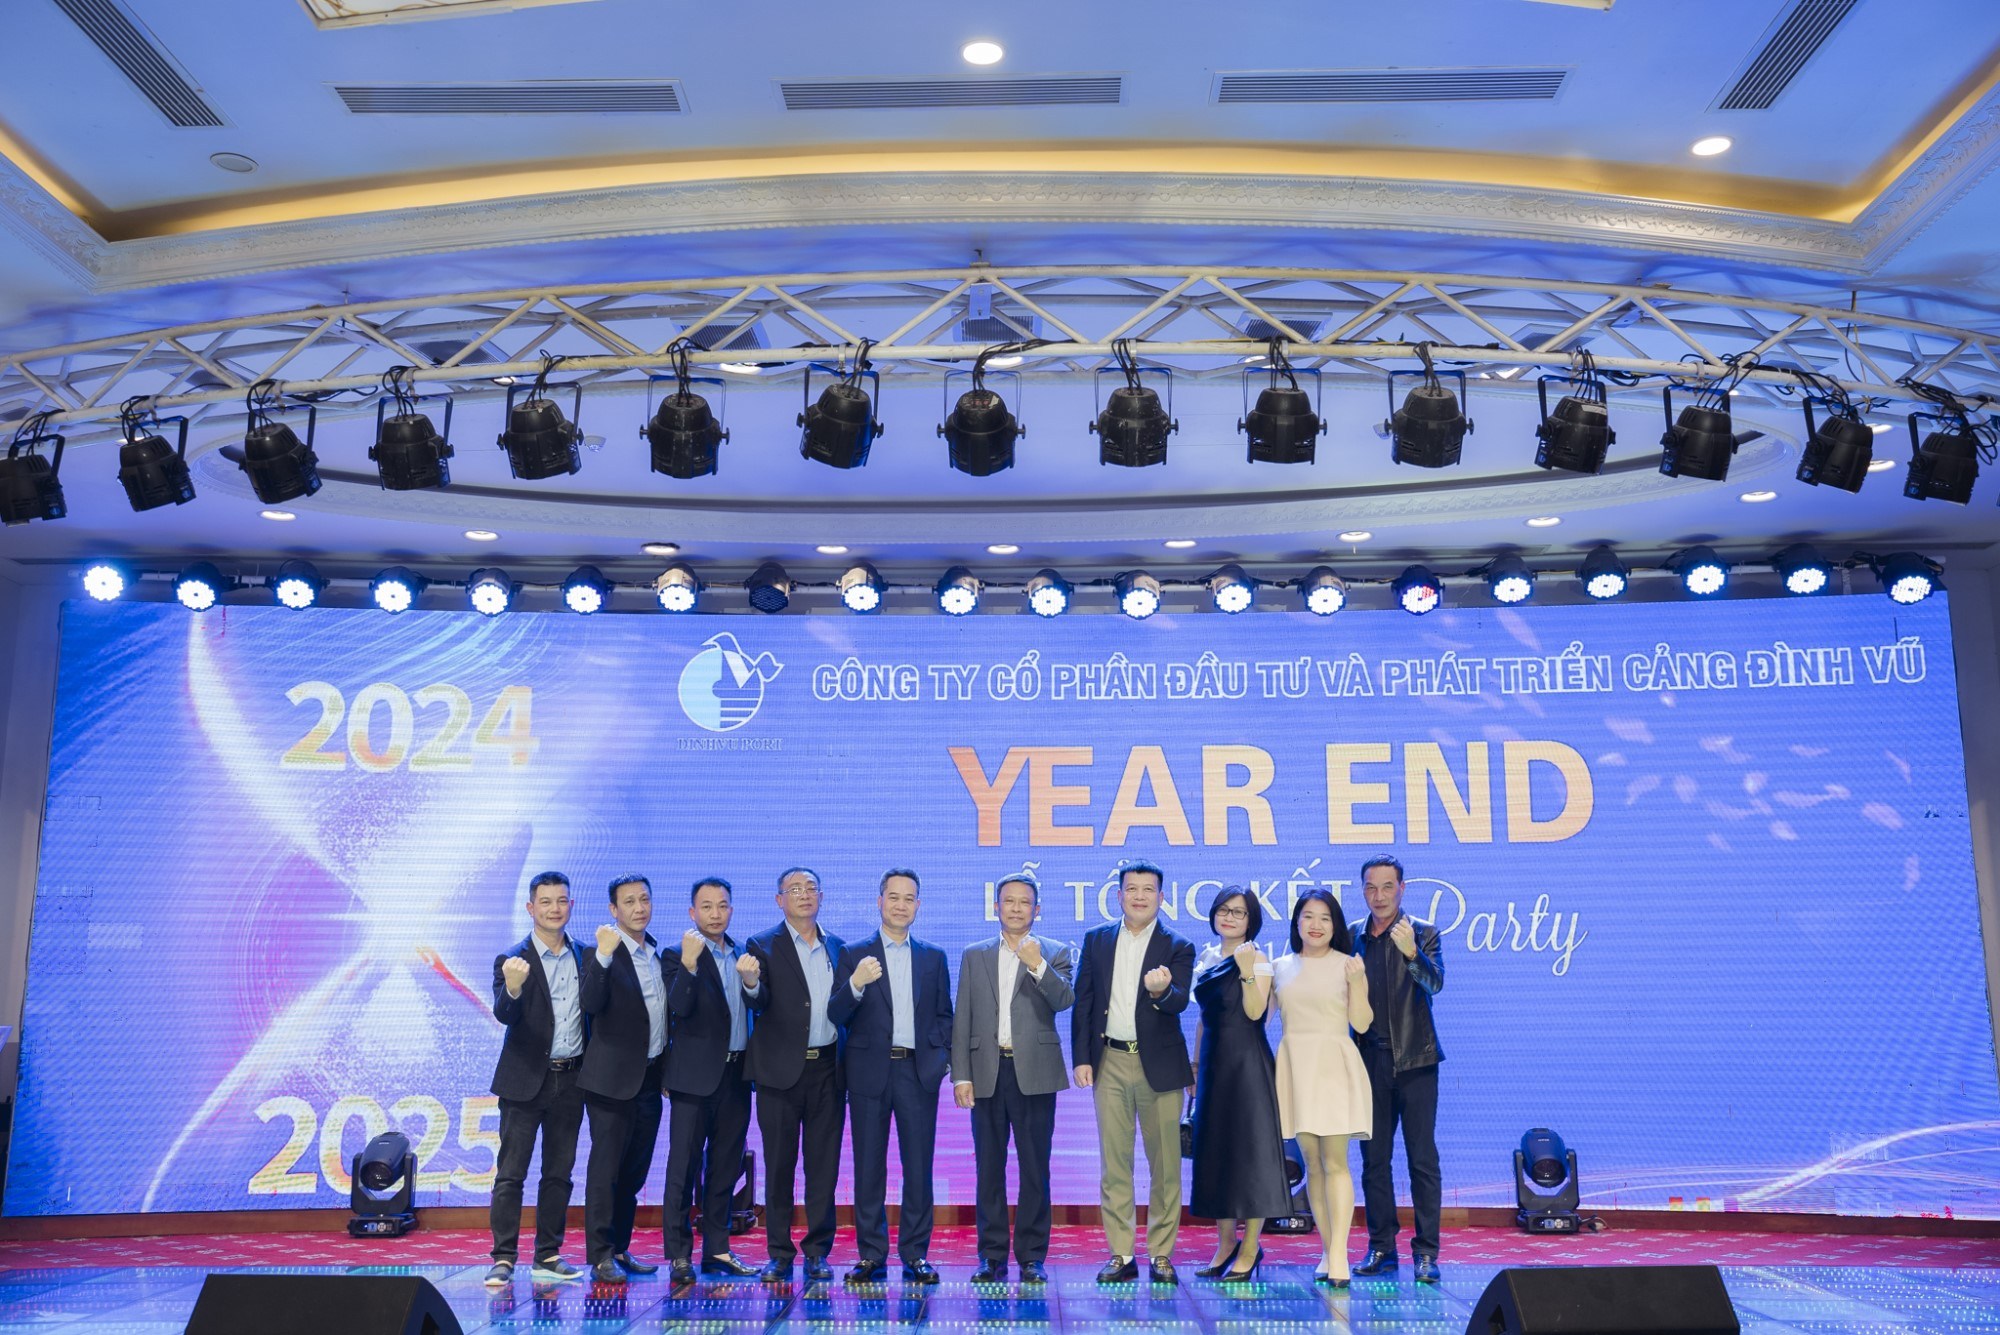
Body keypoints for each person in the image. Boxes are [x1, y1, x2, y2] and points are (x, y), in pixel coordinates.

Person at [1072, 858, 1195, 1286]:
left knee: (1166, 1165)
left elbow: (1179, 1000)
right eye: (1131, 889)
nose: (1139, 896)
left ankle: (1161, 1253)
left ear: (1161, 897)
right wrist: (1082, 1058)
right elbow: (1084, 1002)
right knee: (1115, 1163)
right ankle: (1121, 1253)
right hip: (1109, 1061)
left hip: (1159, 1066)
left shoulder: (1178, 945)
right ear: (1119, 894)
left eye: (1147, 890)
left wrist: (1161, 992)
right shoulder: (1097, 939)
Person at [950, 869, 1075, 1285]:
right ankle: (991, 1256)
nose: (1016, 908)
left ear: (1037, 910)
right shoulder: (975, 954)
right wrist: (960, 1075)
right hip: (987, 1071)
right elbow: (962, 1016)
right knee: (989, 1168)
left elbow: (1064, 1000)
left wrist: (1036, 964)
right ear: (996, 907)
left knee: (1035, 1168)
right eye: (1009, 901)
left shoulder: (1054, 952)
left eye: (1025, 902)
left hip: (1035, 1073)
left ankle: (1032, 1257)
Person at [829, 869, 954, 1284]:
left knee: (918, 1168)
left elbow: (944, 1015)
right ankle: (871, 1254)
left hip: (917, 1073)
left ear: (918, 905)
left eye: (909, 898)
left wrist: (941, 1059)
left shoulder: (933, 957)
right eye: (893, 897)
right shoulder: (853, 953)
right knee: (869, 1168)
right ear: (879, 901)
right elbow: (836, 1013)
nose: (901, 905)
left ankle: (916, 1254)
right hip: (869, 1073)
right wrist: (855, 983)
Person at [485, 871, 590, 1288]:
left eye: (561, 901)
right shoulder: (513, 959)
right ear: (531, 908)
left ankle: (548, 1253)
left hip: (572, 1079)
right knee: (511, 1174)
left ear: (571, 906)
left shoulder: (586, 955)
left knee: (559, 1173)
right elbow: (504, 1014)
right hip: (525, 1081)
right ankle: (503, 1257)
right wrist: (512, 989)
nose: (554, 909)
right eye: (545, 902)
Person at [743, 866, 847, 1284]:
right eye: (794, 889)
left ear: (821, 896)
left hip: (827, 1071)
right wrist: (751, 983)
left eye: (811, 888)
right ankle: (779, 1253)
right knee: (780, 1166)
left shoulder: (838, 946)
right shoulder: (762, 945)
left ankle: (818, 1252)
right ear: (779, 900)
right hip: (779, 1073)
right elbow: (759, 1000)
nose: (804, 895)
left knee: (823, 1167)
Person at [1348, 855, 1445, 1284]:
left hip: (1417, 1060)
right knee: (1374, 1161)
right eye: (1371, 887)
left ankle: (1426, 1252)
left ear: (1402, 889)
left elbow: (1435, 983)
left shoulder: (1423, 932)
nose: (1379, 896)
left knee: (1422, 1160)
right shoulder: (1352, 936)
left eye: (1388, 887)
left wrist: (1411, 953)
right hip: (1369, 1061)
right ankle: (1382, 1247)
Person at [659, 876, 759, 1284]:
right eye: (706, 906)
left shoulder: (745, 953)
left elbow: (760, 1004)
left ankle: (717, 1249)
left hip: (737, 1075)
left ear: (731, 910)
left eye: (722, 906)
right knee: (682, 1169)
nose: (715, 914)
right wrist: (688, 964)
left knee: (725, 1167)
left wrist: (753, 983)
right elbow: (678, 1007)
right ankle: (679, 1254)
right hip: (693, 1079)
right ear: (692, 912)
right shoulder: (675, 955)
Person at [1187, 886, 1291, 1282]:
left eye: (1239, 913)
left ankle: (1250, 1248)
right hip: (1213, 1064)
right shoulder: (1207, 957)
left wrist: (1247, 970)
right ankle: (1226, 1243)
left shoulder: (1258, 959)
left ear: (1251, 921)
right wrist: (1196, 1066)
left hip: (1247, 1062)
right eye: (1224, 910)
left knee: (1251, 1155)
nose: (1229, 918)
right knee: (1217, 1154)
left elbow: (1254, 1013)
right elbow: (1204, 1018)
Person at [1273, 888, 1374, 1286]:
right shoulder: (1280, 967)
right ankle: (1328, 1248)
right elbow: (1257, 1016)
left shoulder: (1348, 964)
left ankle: (1339, 1254)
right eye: (1308, 916)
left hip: (1333, 1067)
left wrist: (1359, 982)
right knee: (1312, 1165)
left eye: (1325, 918)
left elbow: (1361, 1023)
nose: (1316, 925)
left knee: (1335, 1162)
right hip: (1296, 1069)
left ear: (1335, 925)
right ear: (1297, 922)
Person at [579, 874, 670, 1284]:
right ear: (613, 910)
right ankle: (600, 1254)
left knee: (634, 1172)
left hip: (649, 1080)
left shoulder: (656, 954)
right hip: (611, 1083)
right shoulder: (600, 953)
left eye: (644, 899)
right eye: (629, 901)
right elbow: (591, 1002)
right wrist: (602, 955)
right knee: (606, 1172)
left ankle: (619, 1247)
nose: (639, 908)